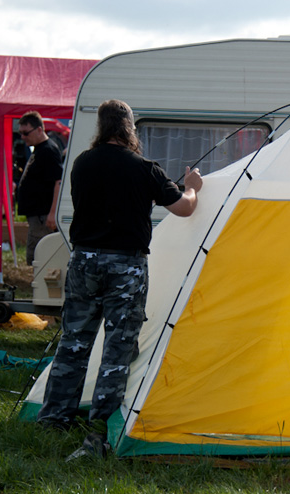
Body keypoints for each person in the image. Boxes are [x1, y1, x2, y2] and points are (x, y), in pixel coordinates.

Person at [36, 99, 203, 459]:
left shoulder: (81, 163)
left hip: (83, 262)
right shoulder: (144, 168)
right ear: (129, 128)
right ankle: (100, 429)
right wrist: (191, 185)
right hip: (125, 267)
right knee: (117, 348)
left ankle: (53, 417)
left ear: (100, 126)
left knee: (74, 341)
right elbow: (184, 207)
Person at [16, 111, 64, 265]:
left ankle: (40, 286)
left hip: (43, 216)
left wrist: (52, 213)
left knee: (39, 256)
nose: (22, 137)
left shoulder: (48, 150)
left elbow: (59, 182)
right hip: (37, 215)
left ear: (39, 130)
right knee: (36, 255)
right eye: (20, 133)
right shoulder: (39, 148)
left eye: (25, 133)